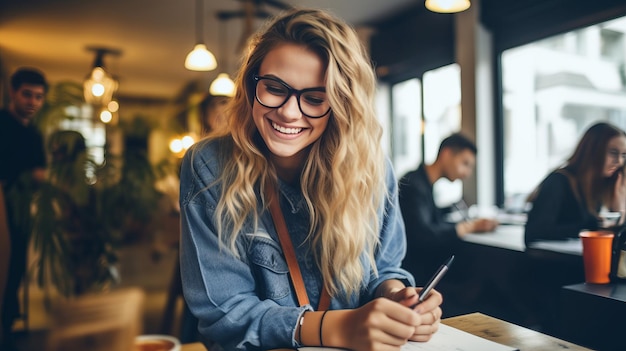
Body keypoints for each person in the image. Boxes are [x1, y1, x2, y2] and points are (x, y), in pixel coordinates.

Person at [179, 8, 442, 351]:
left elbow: (384, 267)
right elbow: (224, 316)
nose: (289, 112)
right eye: (274, 88)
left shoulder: (372, 167)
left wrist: (396, 297)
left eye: (315, 98)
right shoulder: (209, 165)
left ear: (341, 106)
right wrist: (339, 327)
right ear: (250, 84)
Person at [398, 133, 498, 283]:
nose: (467, 173)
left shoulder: (423, 183)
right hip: (413, 272)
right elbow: (423, 235)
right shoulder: (413, 185)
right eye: (465, 163)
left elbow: (431, 221)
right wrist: (469, 227)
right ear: (446, 154)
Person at [0, 67, 48, 347]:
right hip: (3, 208)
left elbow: (39, 174)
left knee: (15, 266)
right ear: (12, 93)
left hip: (20, 212)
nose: (33, 102)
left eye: (39, 97)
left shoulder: (34, 134)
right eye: (27, 95)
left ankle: (6, 326)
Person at [524, 122, 626, 247]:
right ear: (593, 151)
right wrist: (588, 227)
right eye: (613, 153)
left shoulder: (603, 186)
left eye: (623, 155)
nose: (619, 162)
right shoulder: (558, 181)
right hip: (554, 263)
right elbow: (533, 232)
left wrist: (619, 203)